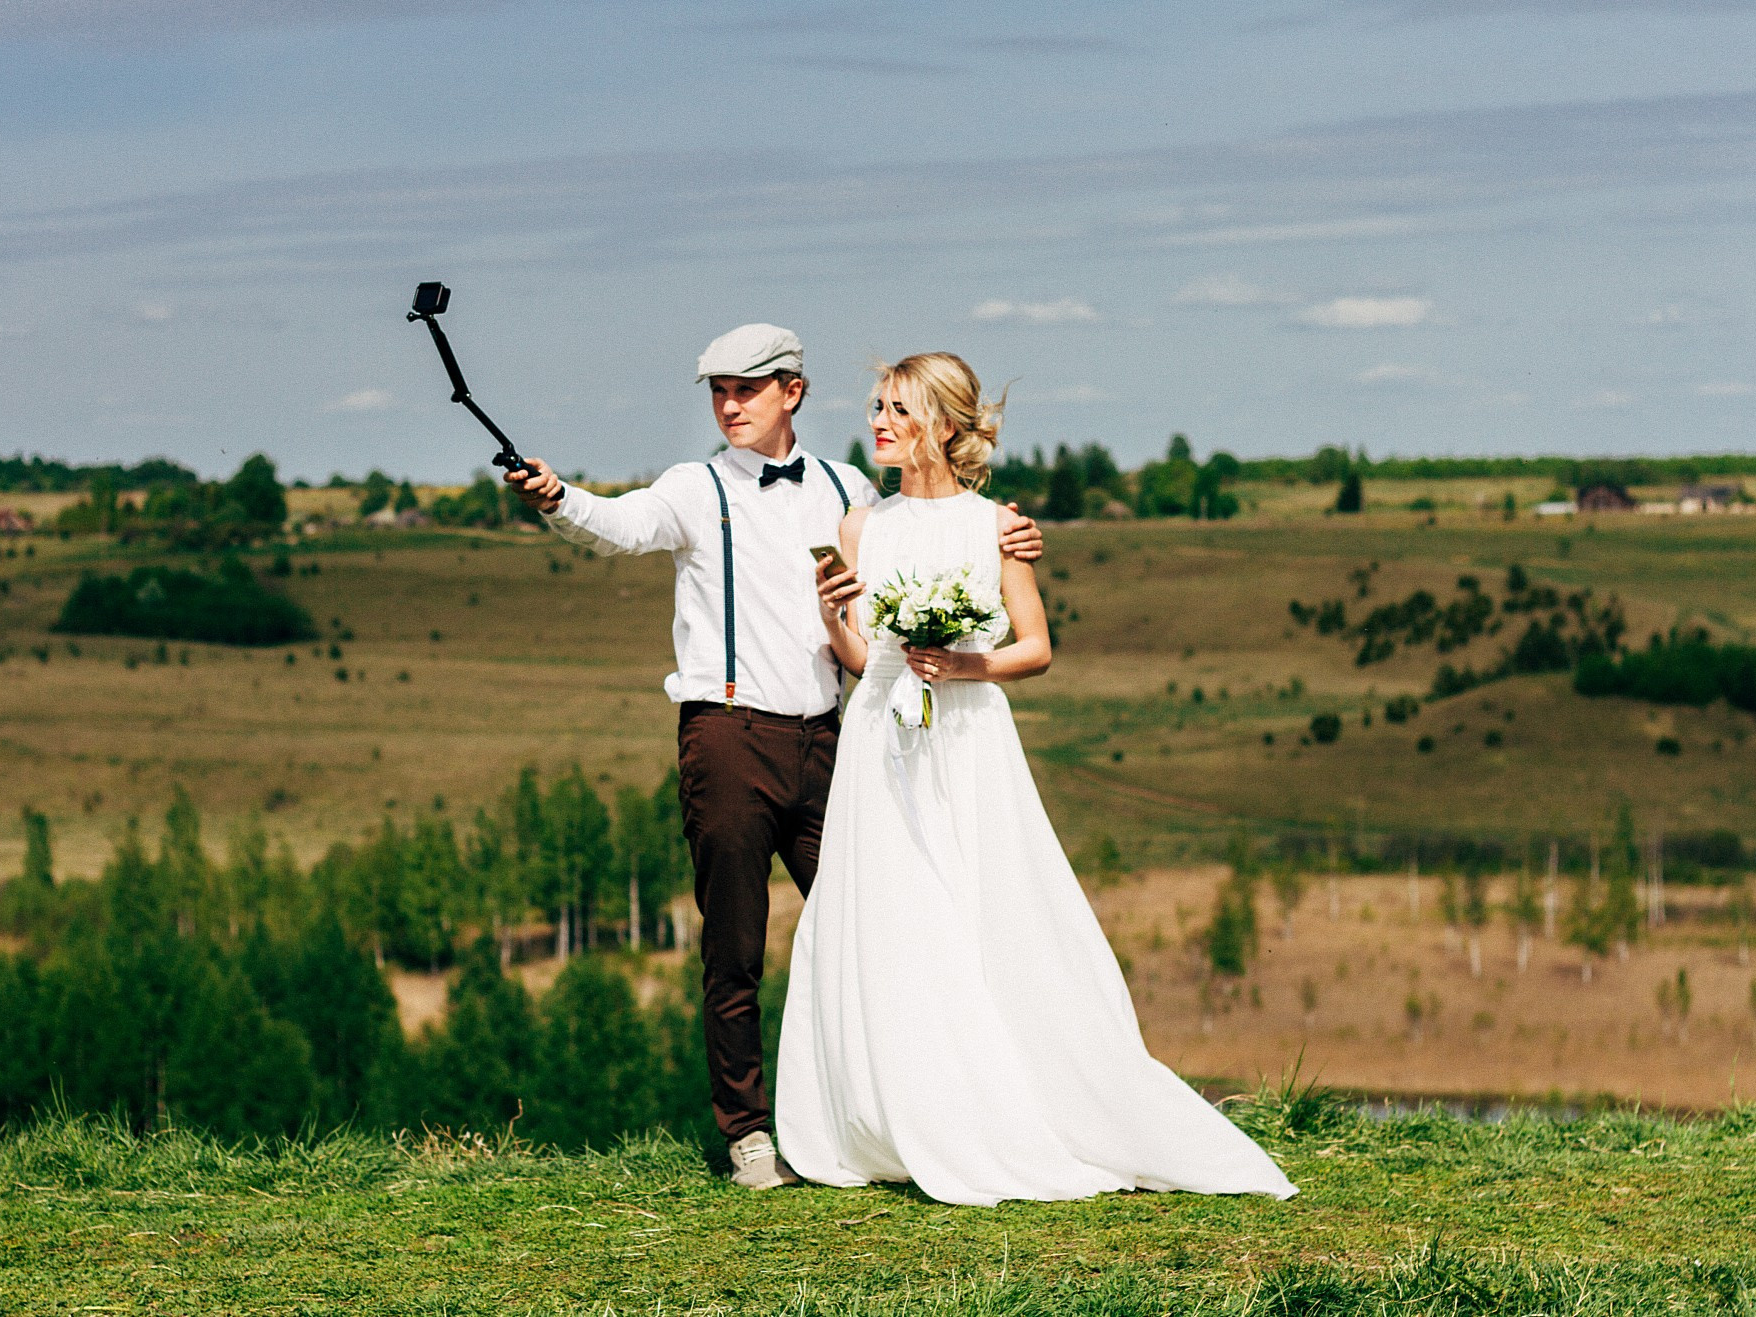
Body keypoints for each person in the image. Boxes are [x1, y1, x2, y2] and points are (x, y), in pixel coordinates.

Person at [505, 325, 1043, 1190]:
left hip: (840, 738)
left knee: (878, 928)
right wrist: (559, 495)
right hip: (727, 736)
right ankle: (751, 1133)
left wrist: (1007, 539)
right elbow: (619, 525)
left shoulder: (849, 487)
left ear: (792, 391)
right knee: (735, 944)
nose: (728, 405)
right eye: (718, 391)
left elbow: (928, 535)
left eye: (746, 390)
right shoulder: (693, 486)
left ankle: (898, 1113)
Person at [776, 352, 1295, 1206]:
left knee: (981, 913)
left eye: (895, 408)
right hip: (879, 738)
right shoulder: (861, 527)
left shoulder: (995, 527)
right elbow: (868, 658)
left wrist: (964, 666)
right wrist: (833, 615)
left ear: (941, 424)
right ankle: (897, 1109)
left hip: (967, 738)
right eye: (874, 405)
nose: (876, 421)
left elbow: (1037, 645)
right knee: (892, 916)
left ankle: (1007, 1108)